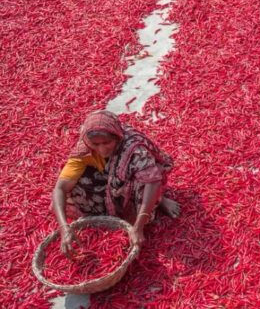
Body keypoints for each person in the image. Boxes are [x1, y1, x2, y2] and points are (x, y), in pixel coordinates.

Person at [51, 110, 180, 257]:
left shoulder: (133, 149)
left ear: (117, 138)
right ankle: (111, 211)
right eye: (96, 144)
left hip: (140, 180)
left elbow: (152, 182)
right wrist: (64, 228)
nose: (102, 149)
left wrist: (138, 227)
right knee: (72, 189)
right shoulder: (84, 150)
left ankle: (160, 199)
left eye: (107, 142)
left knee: (147, 185)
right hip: (110, 181)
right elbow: (60, 189)